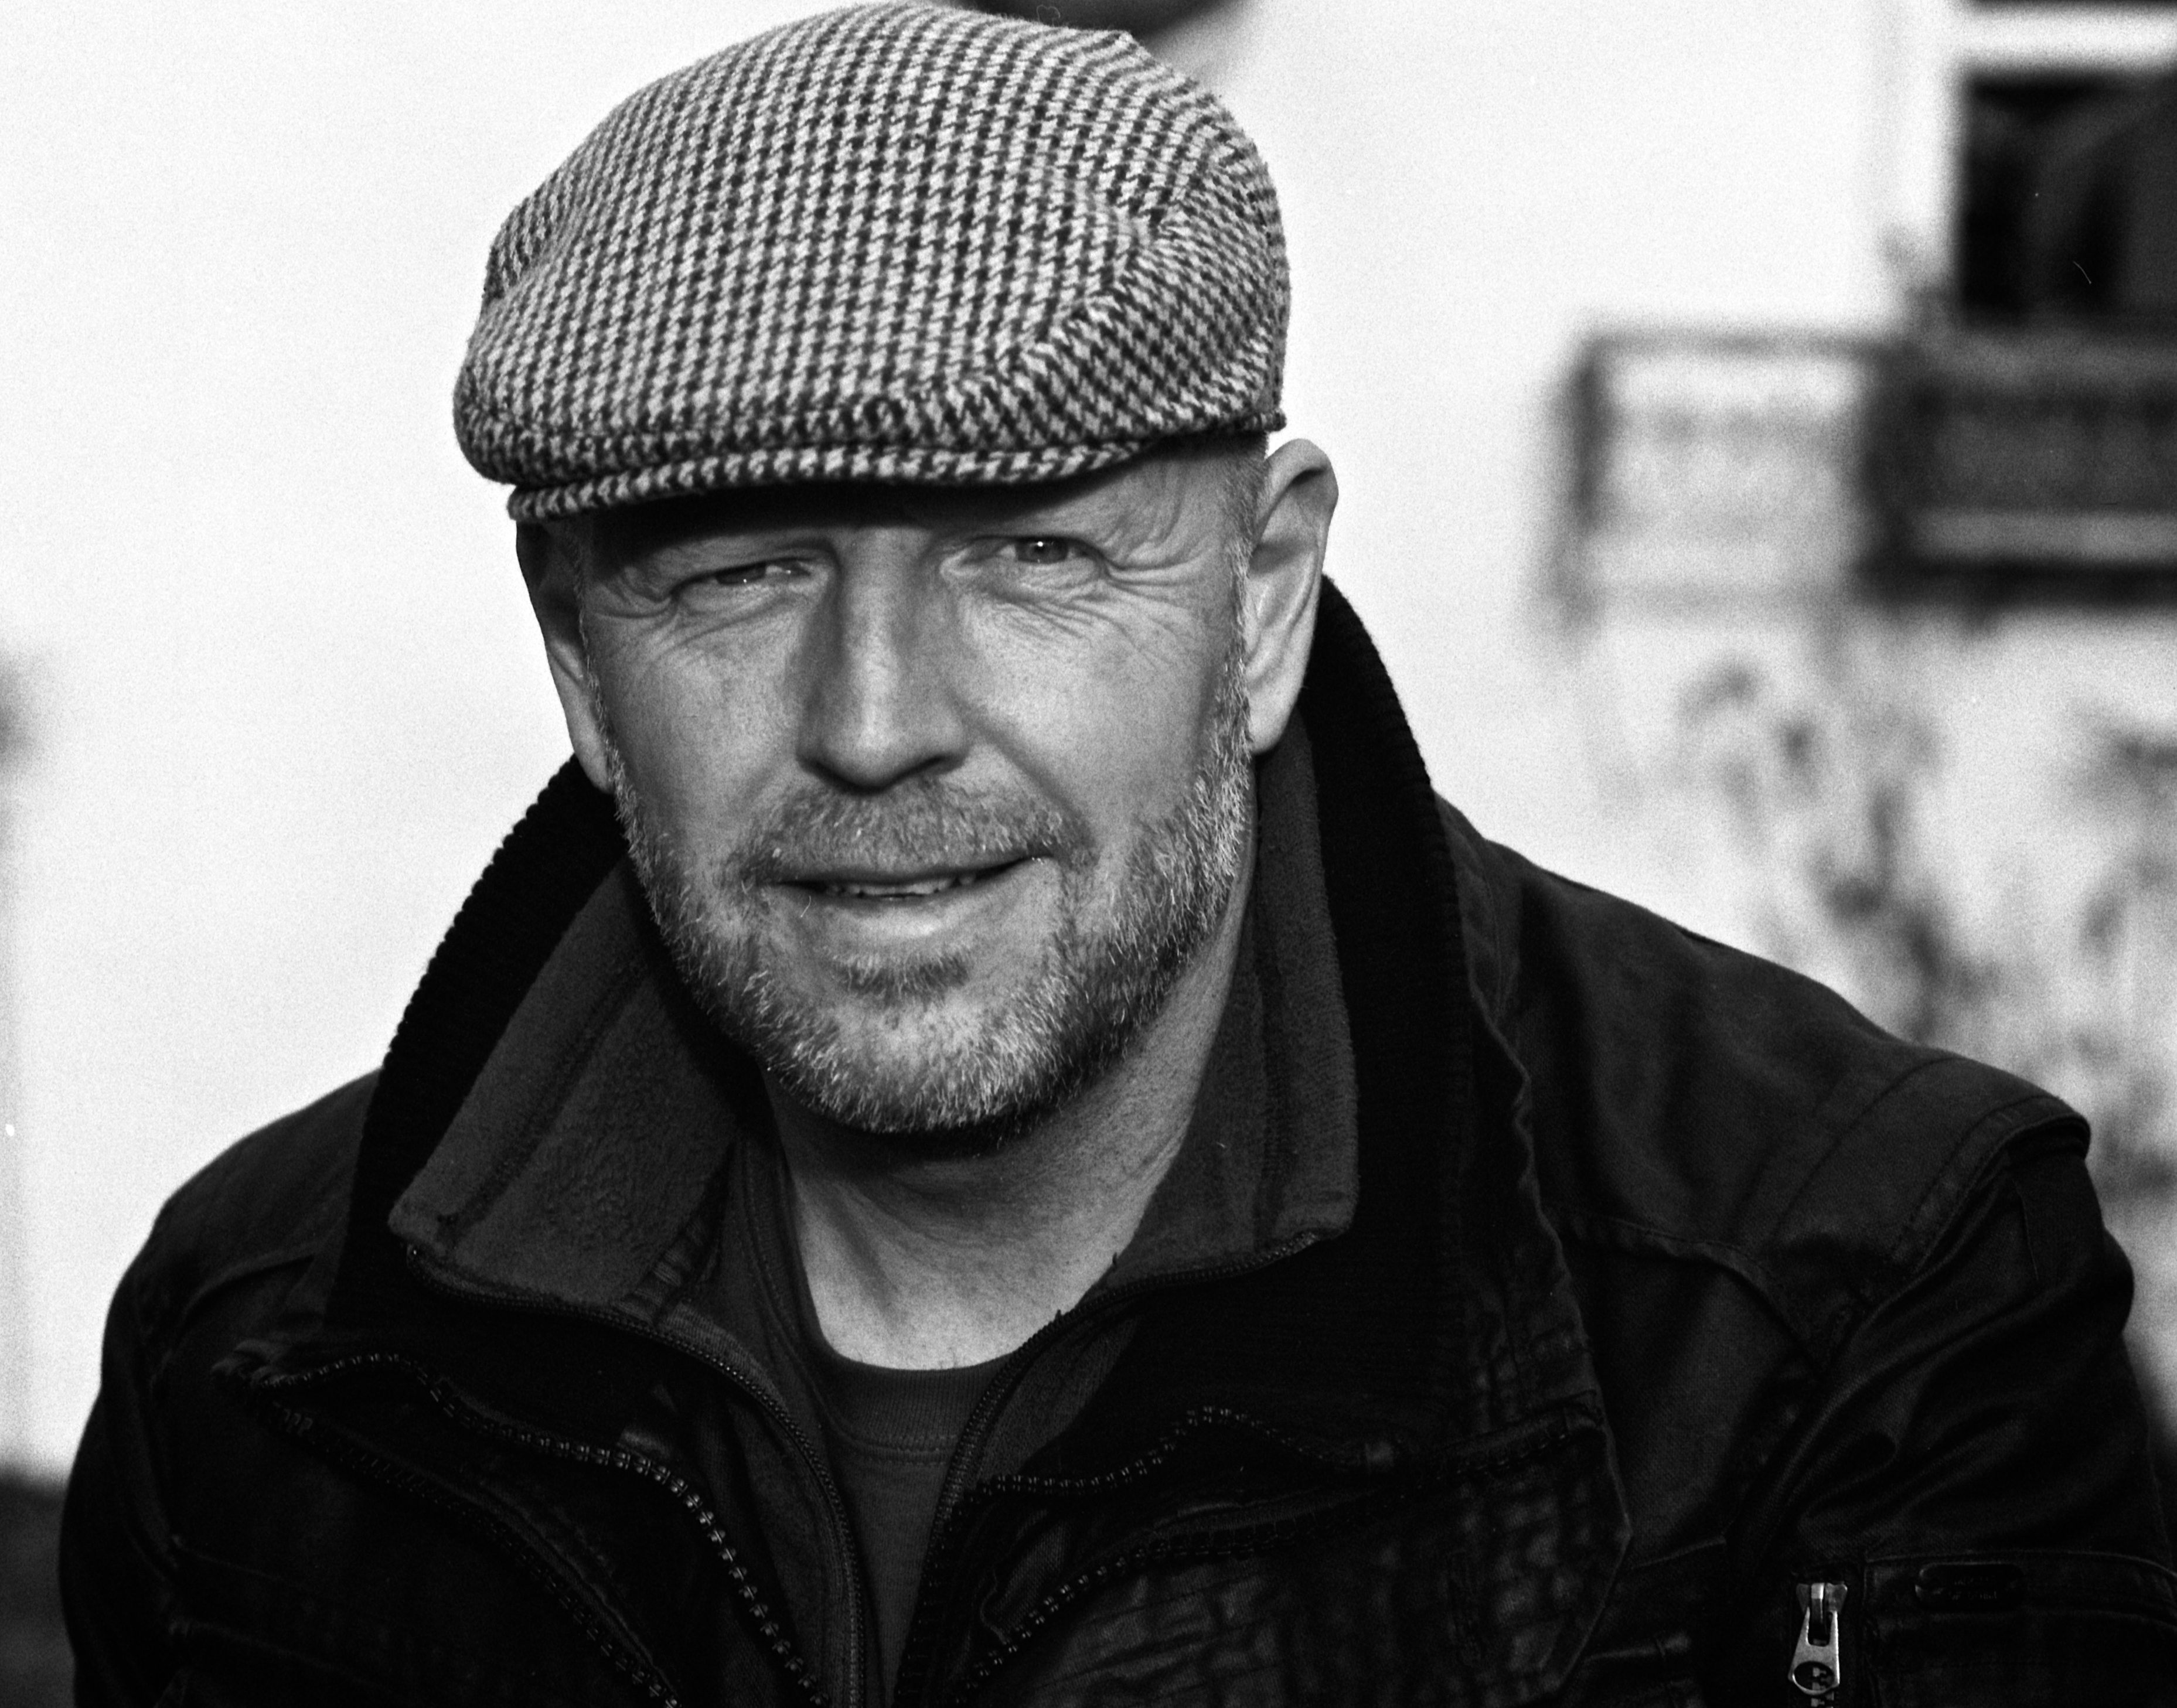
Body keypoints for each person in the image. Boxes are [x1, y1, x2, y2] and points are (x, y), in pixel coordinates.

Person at [57, 5, 2177, 1703]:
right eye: (736, 573)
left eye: (1029, 555)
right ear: (580, 669)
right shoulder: (258, 1357)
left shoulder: (1844, 1314)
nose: (875, 718)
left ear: (1259, 599)